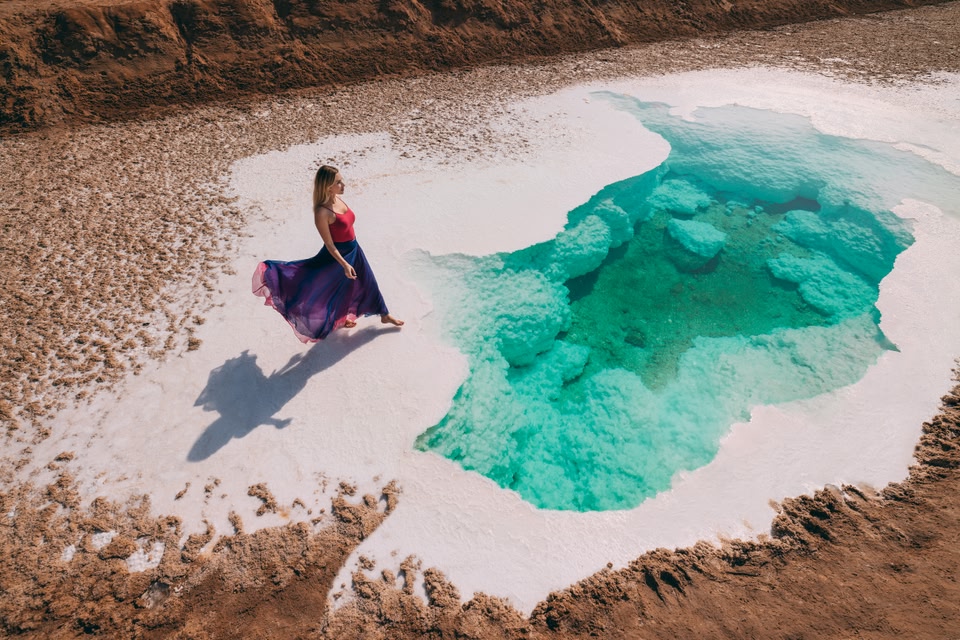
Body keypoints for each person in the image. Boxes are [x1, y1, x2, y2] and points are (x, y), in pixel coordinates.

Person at [252, 165, 403, 342]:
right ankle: (353, 316)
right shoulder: (322, 212)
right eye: (338, 182)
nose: (343, 185)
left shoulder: (338, 199)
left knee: (366, 282)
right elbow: (329, 244)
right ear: (327, 186)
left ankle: (383, 314)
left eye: (341, 180)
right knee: (326, 289)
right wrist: (344, 264)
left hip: (354, 250)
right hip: (336, 257)